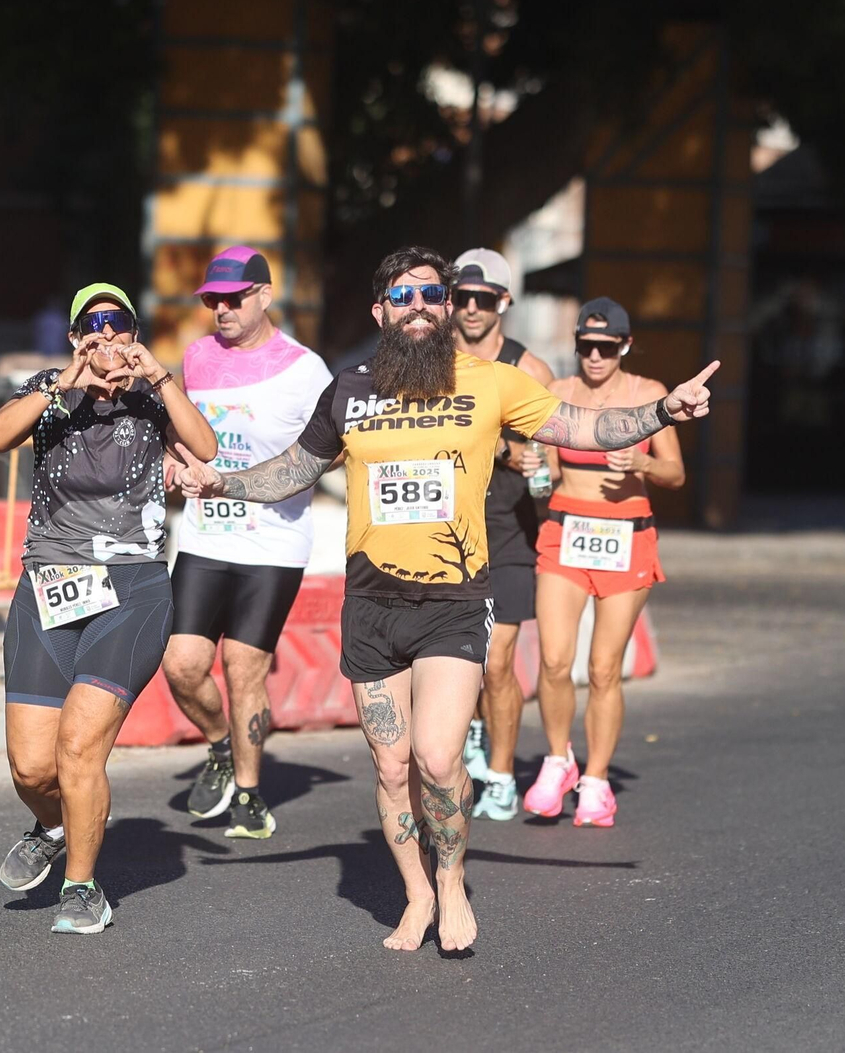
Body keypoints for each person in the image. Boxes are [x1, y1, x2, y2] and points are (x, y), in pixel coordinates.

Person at [173, 247, 718, 952]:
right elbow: (291, 471)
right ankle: (417, 894)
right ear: (381, 313)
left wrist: (663, 410)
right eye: (404, 297)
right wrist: (220, 482)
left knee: (435, 759)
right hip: (371, 603)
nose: (422, 307)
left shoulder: (491, 383)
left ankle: (453, 883)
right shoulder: (349, 390)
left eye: (434, 295)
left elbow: (580, 428)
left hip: (454, 601)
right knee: (390, 766)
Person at [0, 282, 217, 934]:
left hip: (131, 590)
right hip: (49, 589)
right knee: (32, 766)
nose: (107, 337)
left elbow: (207, 448)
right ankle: (57, 824)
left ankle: (83, 888)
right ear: (75, 335)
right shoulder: (49, 391)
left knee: (79, 747)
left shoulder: (150, 398)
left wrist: (163, 379)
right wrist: (61, 382)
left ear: (136, 334)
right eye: (94, 324)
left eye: (120, 325)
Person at [162, 246, 333, 839]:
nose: (221, 309)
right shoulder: (197, 358)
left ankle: (251, 791)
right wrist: (172, 460)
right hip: (207, 535)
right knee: (181, 665)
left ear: (264, 295)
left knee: (243, 667)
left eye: (234, 298)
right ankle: (218, 746)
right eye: (212, 300)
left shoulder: (306, 369)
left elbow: (333, 449)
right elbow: (184, 431)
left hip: (273, 543)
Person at [520, 298, 685, 828]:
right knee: (552, 659)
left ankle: (596, 779)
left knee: (603, 668)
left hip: (626, 536)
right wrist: (531, 466)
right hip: (565, 532)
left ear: (624, 346)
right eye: (586, 347)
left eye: (606, 348)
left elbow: (676, 473)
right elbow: (544, 473)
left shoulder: (648, 395)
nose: (595, 357)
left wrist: (642, 461)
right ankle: (556, 760)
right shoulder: (558, 395)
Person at [448, 249, 554, 822]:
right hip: (447, 534)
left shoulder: (528, 370)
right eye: (460, 298)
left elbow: (553, 465)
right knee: (452, 659)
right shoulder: (433, 363)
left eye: (481, 299)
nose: (469, 309)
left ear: (504, 303)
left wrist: (524, 463)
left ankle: (502, 774)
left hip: (509, 533)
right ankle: (464, 739)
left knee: (496, 662)